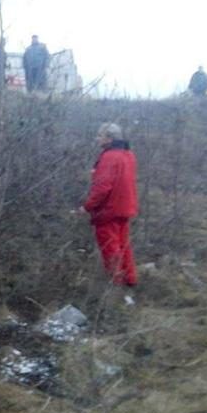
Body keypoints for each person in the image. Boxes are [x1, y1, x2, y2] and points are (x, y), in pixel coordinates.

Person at [81, 122, 138, 292]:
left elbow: (102, 187)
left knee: (110, 247)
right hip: (125, 207)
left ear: (109, 138)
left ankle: (116, 285)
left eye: (100, 135)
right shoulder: (128, 155)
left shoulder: (109, 157)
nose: (97, 139)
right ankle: (130, 280)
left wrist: (87, 207)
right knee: (123, 245)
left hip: (109, 209)